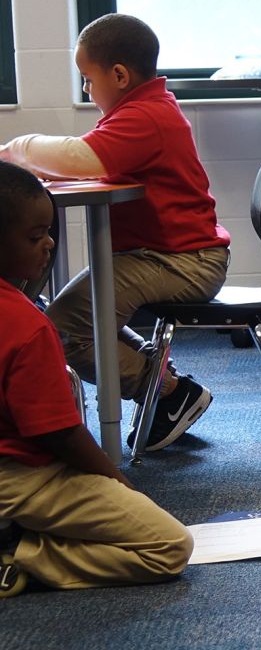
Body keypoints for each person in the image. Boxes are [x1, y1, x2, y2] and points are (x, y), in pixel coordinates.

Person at [0, 13, 230, 451]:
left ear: (119, 74)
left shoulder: (146, 117)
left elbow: (79, 157)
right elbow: (88, 161)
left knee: (64, 329)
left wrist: (14, 151)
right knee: (79, 316)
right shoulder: (141, 111)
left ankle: (168, 393)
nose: (87, 89)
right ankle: (166, 386)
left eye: (88, 79)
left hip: (181, 261)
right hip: (170, 255)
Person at [0, 161, 193, 596]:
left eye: (48, 232)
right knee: (169, 546)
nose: (48, 244)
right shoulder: (28, 327)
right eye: (35, 237)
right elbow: (60, 434)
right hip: (22, 479)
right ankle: (20, 553)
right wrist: (113, 478)